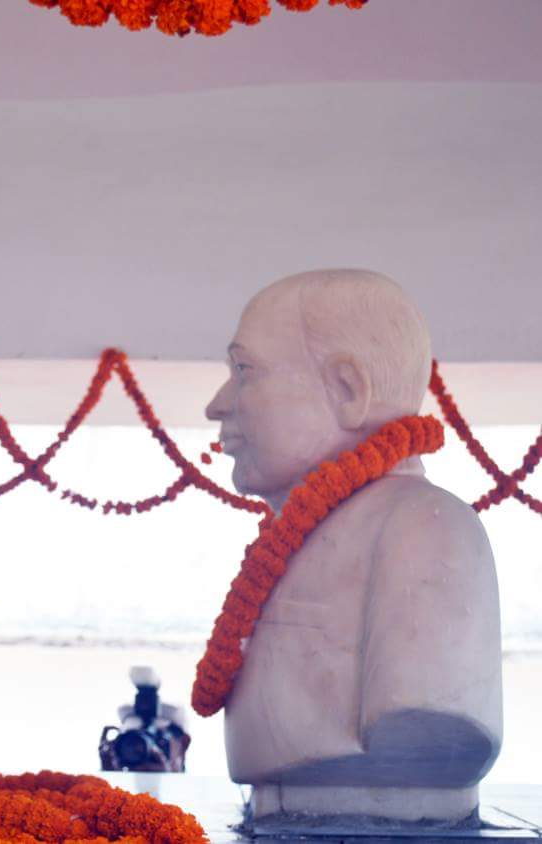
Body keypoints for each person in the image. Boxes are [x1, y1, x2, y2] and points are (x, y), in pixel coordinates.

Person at [207, 269, 502, 823]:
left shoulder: (427, 528)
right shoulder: (303, 532)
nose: (218, 405)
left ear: (348, 390)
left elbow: (432, 726)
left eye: (245, 371)